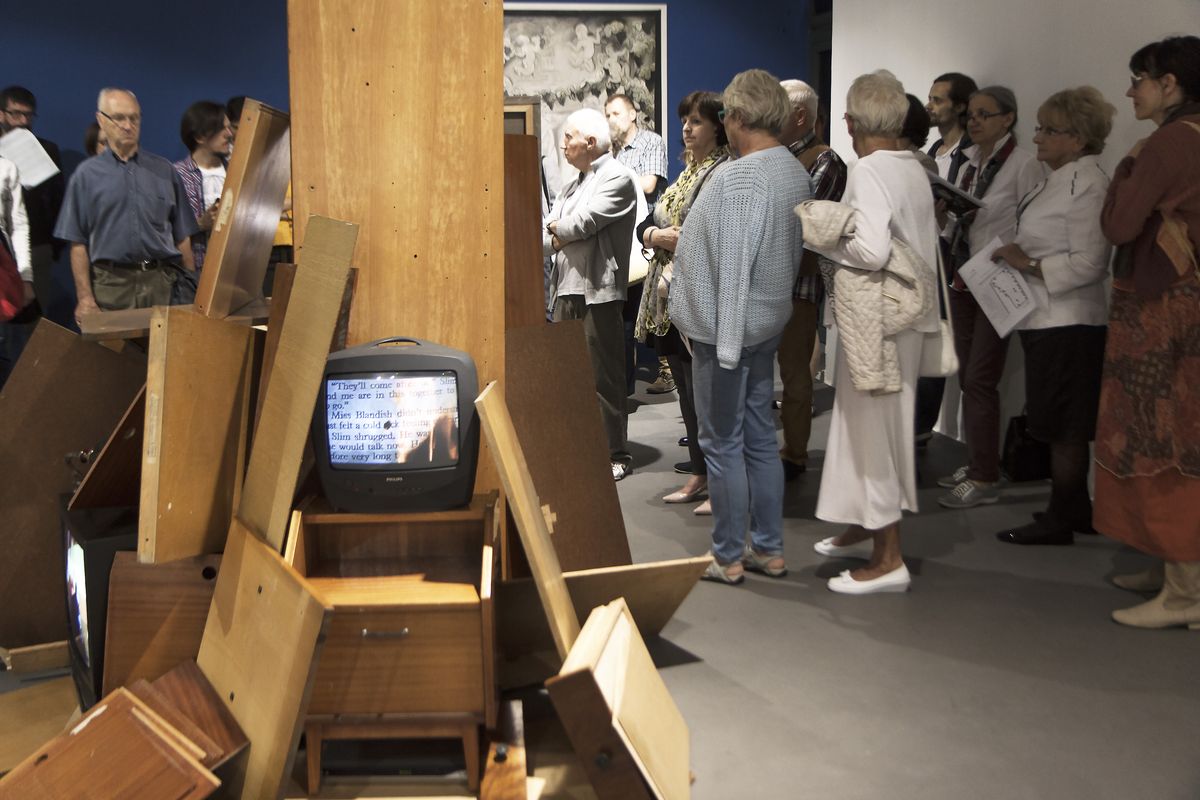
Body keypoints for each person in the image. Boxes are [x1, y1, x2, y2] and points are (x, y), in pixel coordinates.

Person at [801, 70, 939, 594]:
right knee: (868, 428)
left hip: (877, 323)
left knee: (874, 433)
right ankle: (863, 525)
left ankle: (888, 560)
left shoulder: (871, 169)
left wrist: (824, 234)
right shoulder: (911, 166)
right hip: (902, 320)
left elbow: (870, 251)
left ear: (851, 121)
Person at [670, 69, 810, 584]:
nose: (724, 122)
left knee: (723, 443)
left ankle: (728, 556)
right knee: (758, 438)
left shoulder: (742, 177)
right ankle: (768, 550)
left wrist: (725, 348)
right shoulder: (791, 168)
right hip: (764, 324)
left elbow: (733, 269)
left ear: (741, 117)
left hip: (726, 334)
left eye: (726, 114)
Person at [1096, 36, 1200, 629]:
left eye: (1140, 79)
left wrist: (1130, 164)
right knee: (1180, 434)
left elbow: (1118, 225)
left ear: (1170, 84)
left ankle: (1185, 590)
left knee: (1164, 435)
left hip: (1162, 312)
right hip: (1185, 306)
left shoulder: (1167, 144)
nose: (1131, 90)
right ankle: (1175, 568)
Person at [989, 87, 1115, 546]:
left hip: (1068, 321)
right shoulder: (1057, 179)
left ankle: (1061, 514)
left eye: (1049, 129)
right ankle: (1075, 507)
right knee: (1059, 420)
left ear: (1078, 138)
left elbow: (1090, 264)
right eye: (1039, 127)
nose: (1037, 137)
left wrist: (1027, 263)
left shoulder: (1088, 185)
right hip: (1046, 318)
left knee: (1064, 425)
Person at [937, 86, 1045, 509]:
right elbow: (961, 223)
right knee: (969, 377)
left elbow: (1030, 225)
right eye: (972, 115)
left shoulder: (1023, 164)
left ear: (1008, 118)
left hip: (999, 280)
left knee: (980, 378)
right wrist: (946, 214)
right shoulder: (968, 163)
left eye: (985, 114)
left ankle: (984, 477)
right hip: (964, 278)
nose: (975, 121)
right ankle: (978, 462)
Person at [635, 90, 730, 508]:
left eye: (696, 121)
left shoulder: (722, 172)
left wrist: (670, 237)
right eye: (685, 121)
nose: (687, 129)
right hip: (666, 293)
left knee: (707, 397)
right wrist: (656, 235)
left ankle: (720, 481)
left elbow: (710, 232)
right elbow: (646, 223)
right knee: (688, 397)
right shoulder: (687, 173)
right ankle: (699, 473)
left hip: (697, 290)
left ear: (718, 127)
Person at [543, 108, 639, 481]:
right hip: (564, 290)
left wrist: (559, 230)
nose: (563, 144)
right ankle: (580, 449)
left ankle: (615, 454)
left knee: (604, 378)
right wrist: (559, 233)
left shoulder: (619, 178)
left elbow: (582, 224)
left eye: (569, 137)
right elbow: (546, 237)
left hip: (597, 293)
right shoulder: (572, 185)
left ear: (591, 142)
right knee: (568, 377)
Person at [54, 88, 198, 323]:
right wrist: (85, 298)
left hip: (161, 284)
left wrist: (190, 290)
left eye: (134, 118)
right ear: (102, 120)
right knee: (113, 348)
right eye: (119, 118)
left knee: (162, 347)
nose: (128, 126)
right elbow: (77, 243)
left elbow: (183, 237)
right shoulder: (86, 176)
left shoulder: (164, 170)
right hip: (111, 286)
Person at [776, 79, 846, 482]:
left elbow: (806, 228)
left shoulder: (826, 161)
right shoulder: (778, 157)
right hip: (772, 282)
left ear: (800, 115)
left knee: (795, 373)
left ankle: (795, 453)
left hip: (798, 286)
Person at [916, 72, 977, 443]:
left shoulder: (972, 155)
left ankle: (924, 427)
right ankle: (920, 425)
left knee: (941, 338)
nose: (930, 106)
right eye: (930, 98)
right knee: (925, 337)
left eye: (938, 100)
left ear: (960, 106)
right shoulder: (931, 153)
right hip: (926, 252)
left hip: (955, 257)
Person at [606, 93, 672, 394]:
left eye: (616, 113)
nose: (611, 119)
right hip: (626, 236)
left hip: (652, 234)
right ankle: (627, 376)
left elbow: (648, 185)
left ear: (633, 114)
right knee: (630, 310)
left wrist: (617, 181)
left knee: (657, 303)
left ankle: (668, 370)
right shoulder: (615, 152)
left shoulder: (650, 142)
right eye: (607, 114)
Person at [173, 101, 234, 275]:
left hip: (235, 271)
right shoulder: (177, 175)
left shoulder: (236, 172)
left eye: (229, 127)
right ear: (200, 137)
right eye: (221, 129)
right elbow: (167, 230)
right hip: (196, 274)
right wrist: (200, 224)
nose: (229, 134)